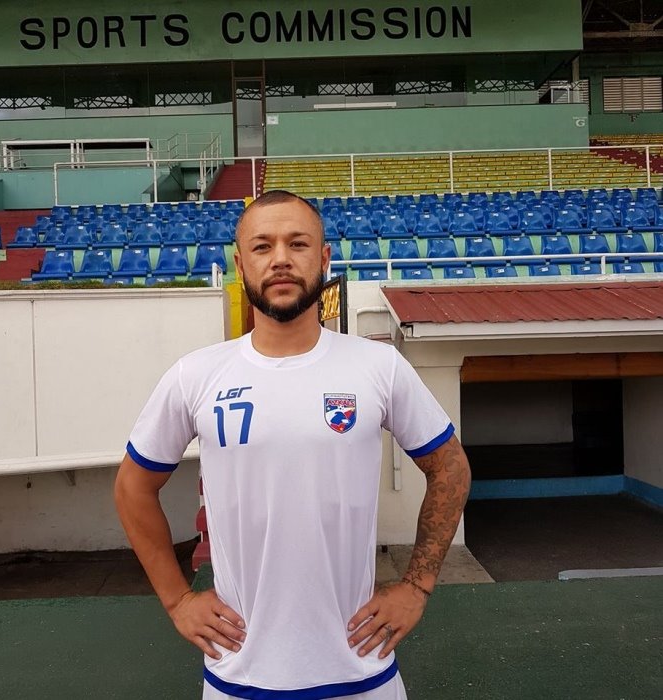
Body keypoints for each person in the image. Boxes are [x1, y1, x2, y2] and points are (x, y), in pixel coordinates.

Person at [114, 190, 471, 700]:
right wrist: (177, 600)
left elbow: (450, 467)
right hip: (238, 678)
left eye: (297, 244)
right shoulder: (196, 375)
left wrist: (416, 585)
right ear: (241, 265)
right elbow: (132, 487)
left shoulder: (378, 366)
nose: (280, 258)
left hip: (362, 674)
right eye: (262, 246)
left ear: (323, 259)